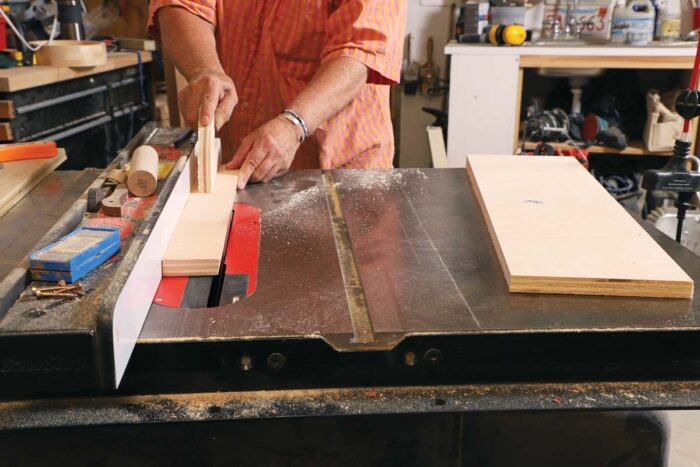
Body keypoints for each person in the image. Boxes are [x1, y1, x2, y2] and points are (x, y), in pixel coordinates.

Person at [148, 0, 406, 189]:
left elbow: (359, 50)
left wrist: (294, 125)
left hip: (340, 171)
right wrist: (203, 68)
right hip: (238, 164)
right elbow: (182, 4)